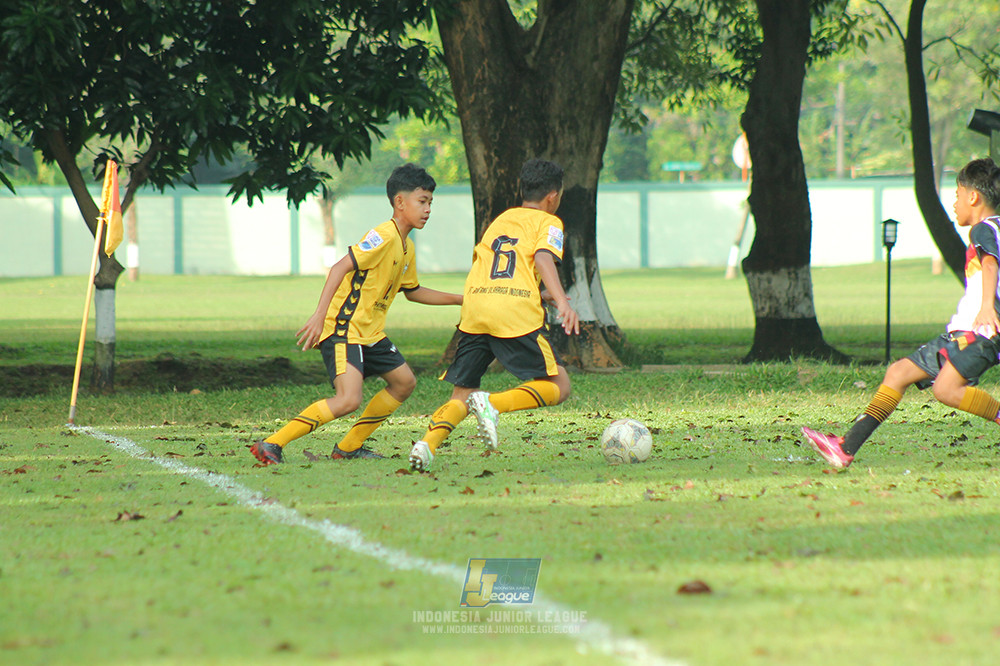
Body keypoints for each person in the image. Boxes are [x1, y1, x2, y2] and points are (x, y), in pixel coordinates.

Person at [250, 164, 462, 465]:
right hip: (344, 329)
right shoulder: (383, 235)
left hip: (370, 334)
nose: (428, 209)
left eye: (430, 203)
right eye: (422, 201)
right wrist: (319, 316)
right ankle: (272, 443)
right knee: (348, 399)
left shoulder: (407, 247)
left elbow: (412, 290)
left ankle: (348, 447)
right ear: (400, 202)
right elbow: (339, 267)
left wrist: (460, 300)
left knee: (404, 383)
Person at [802, 157, 1000, 469]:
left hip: (980, 333)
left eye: (957, 195)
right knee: (898, 373)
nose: (954, 203)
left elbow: (990, 264)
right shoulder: (994, 228)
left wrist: (987, 306)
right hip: (963, 331)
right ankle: (845, 447)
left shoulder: (983, 230)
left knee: (946, 390)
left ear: (973, 197)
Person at [408, 158, 580, 471]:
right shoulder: (550, 222)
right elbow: (542, 257)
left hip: (476, 307)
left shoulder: (502, 220)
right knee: (560, 385)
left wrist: (536, 290)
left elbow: (503, 266)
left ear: (522, 189)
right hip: (511, 311)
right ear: (553, 196)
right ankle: (493, 404)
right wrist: (562, 301)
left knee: (462, 392)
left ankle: (426, 445)